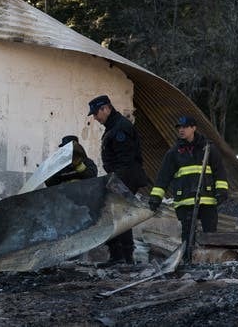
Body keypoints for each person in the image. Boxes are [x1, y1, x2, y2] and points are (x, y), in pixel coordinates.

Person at [148, 115, 229, 243]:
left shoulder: (208, 149)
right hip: (184, 202)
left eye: (185, 127)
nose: (181, 130)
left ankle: (211, 261)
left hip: (207, 200)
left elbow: (219, 172)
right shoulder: (173, 153)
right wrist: (155, 197)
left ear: (194, 128)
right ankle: (188, 259)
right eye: (179, 127)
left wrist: (221, 191)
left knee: (210, 236)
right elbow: (163, 177)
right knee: (187, 238)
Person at [88, 94, 149, 265]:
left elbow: (126, 159)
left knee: (120, 216)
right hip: (120, 176)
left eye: (96, 113)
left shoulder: (120, 127)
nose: (95, 118)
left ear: (106, 109)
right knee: (116, 215)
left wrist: (116, 182)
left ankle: (124, 256)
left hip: (126, 177)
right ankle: (119, 256)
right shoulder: (113, 125)